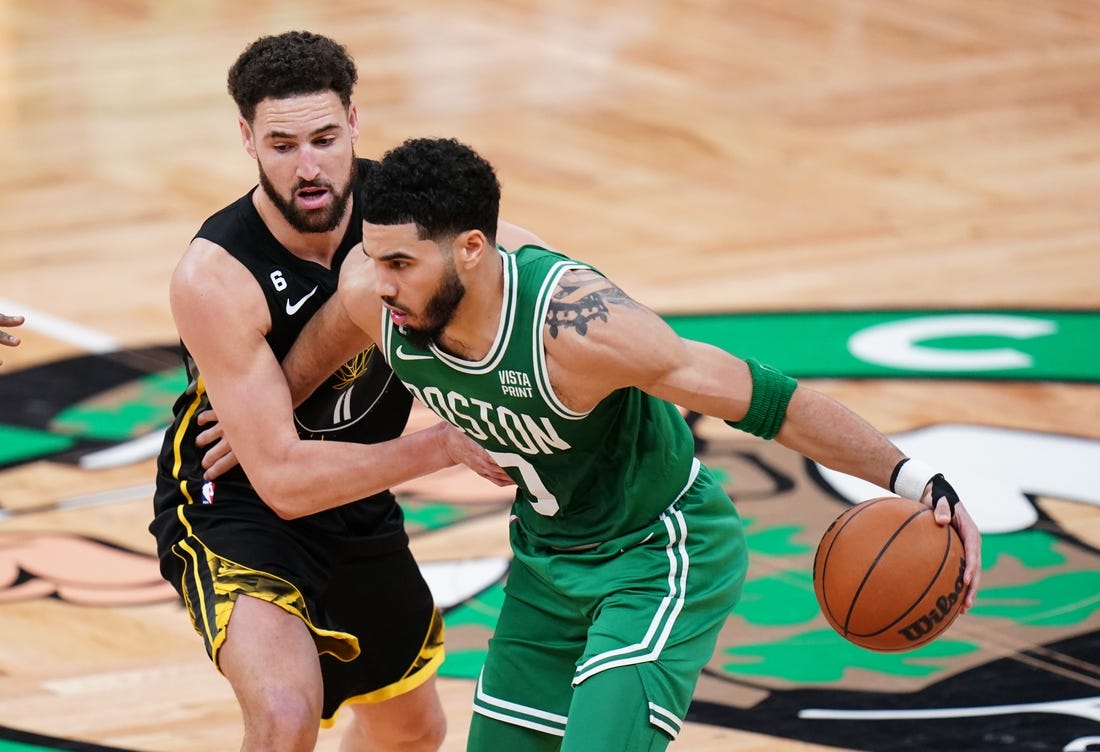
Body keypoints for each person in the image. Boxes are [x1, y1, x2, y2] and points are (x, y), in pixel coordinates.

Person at [280, 137, 983, 752]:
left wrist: (916, 479)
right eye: (374, 258)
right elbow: (322, 344)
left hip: (655, 553)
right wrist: (260, 411)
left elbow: (773, 404)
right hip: (546, 563)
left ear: (470, 249)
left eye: (401, 263)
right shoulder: (375, 296)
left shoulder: (582, 329)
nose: (381, 282)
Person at [149, 35, 510, 752]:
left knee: (412, 733)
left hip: (355, 495)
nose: (308, 168)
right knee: (285, 718)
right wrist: (443, 444)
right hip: (237, 500)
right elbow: (282, 481)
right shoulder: (215, 276)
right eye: (282, 146)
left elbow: (517, 261)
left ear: (353, 121)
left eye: (323, 139)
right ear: (247, 138)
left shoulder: (406, 210)